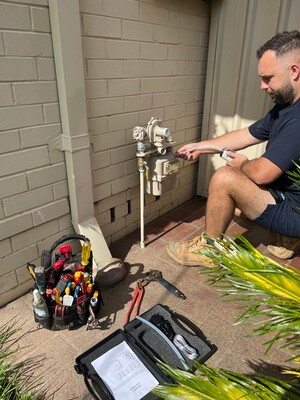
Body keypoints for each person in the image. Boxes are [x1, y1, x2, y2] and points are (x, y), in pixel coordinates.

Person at [166, 30, 300, 266]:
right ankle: (287, 237)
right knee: (228, 208)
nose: (262, 85)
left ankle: (209, 251)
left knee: (226, 179)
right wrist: (202, 146)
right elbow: (245, 134)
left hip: (295, 211)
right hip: (288, 196)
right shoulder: (286, 107)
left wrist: (242, 164)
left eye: (268, 78)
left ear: (294, 71)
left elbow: (261, 173)